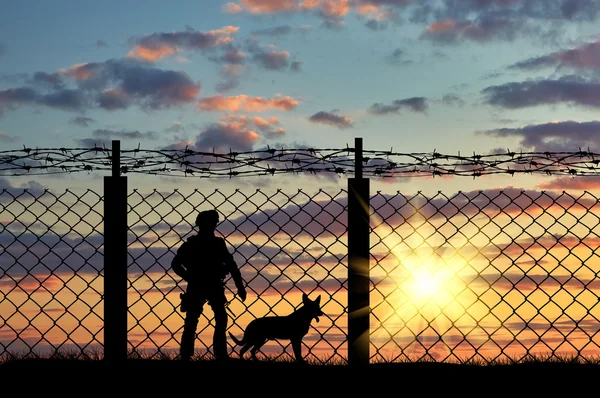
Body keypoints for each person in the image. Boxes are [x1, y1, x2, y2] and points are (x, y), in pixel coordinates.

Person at [171, 209, 247, 361]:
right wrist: (189, 277)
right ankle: (209, 354)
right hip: (205, 285)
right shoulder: (200, 244)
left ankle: (200, 354)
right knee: (201, 319)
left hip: (206, 285)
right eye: (211, 222)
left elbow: (231, 265)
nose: (212, 225)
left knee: (207, 318)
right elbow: (176, 264)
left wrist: (240, 286)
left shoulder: (210, 243)